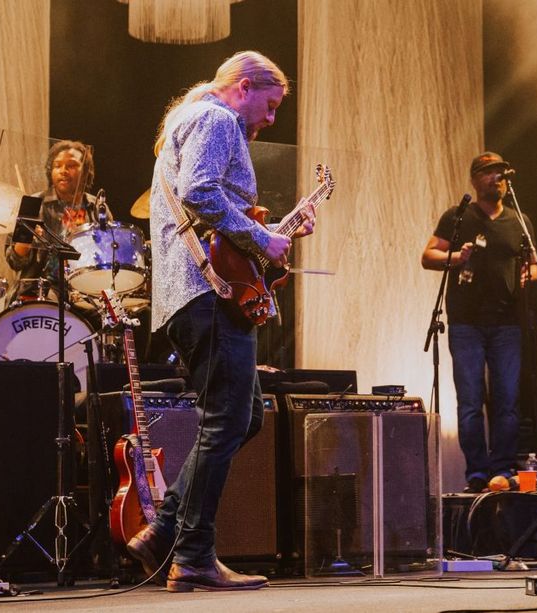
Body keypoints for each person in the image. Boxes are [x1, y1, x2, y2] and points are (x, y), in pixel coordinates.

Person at [127, 51, 314, 592]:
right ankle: (192, 555)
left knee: (243, 416)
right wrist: (262, 238)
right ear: (242, 86)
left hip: (191, 294)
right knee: (227, 418)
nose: (271, 119)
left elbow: (209, 212)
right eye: (271, 105)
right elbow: (201, 193)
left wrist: (275, 232)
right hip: (208, 294)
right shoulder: (215, 118)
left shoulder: (194, 119)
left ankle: (165, 531)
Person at [421, 152, 537, 493]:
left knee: (507, 401)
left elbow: (534, 262)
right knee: (471, 401)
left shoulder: (519, 220)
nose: (496, 178)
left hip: (507, 324)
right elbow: (428, 255)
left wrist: (525, 278)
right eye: (488, 173)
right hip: (466, 323)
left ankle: (501, 469)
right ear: (474, 179)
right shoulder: (458, 217)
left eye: (501, 173)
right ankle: (476, 472)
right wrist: (457, 257)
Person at [4, 139, 97, 305]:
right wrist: (25, 244)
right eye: (57, 165)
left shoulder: (95, 207)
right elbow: (14, 261)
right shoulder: (34, 203)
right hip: (39, 289)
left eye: (71, 165)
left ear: (86, 171)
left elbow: (105, 259)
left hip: (85, 292)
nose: (63, 171)